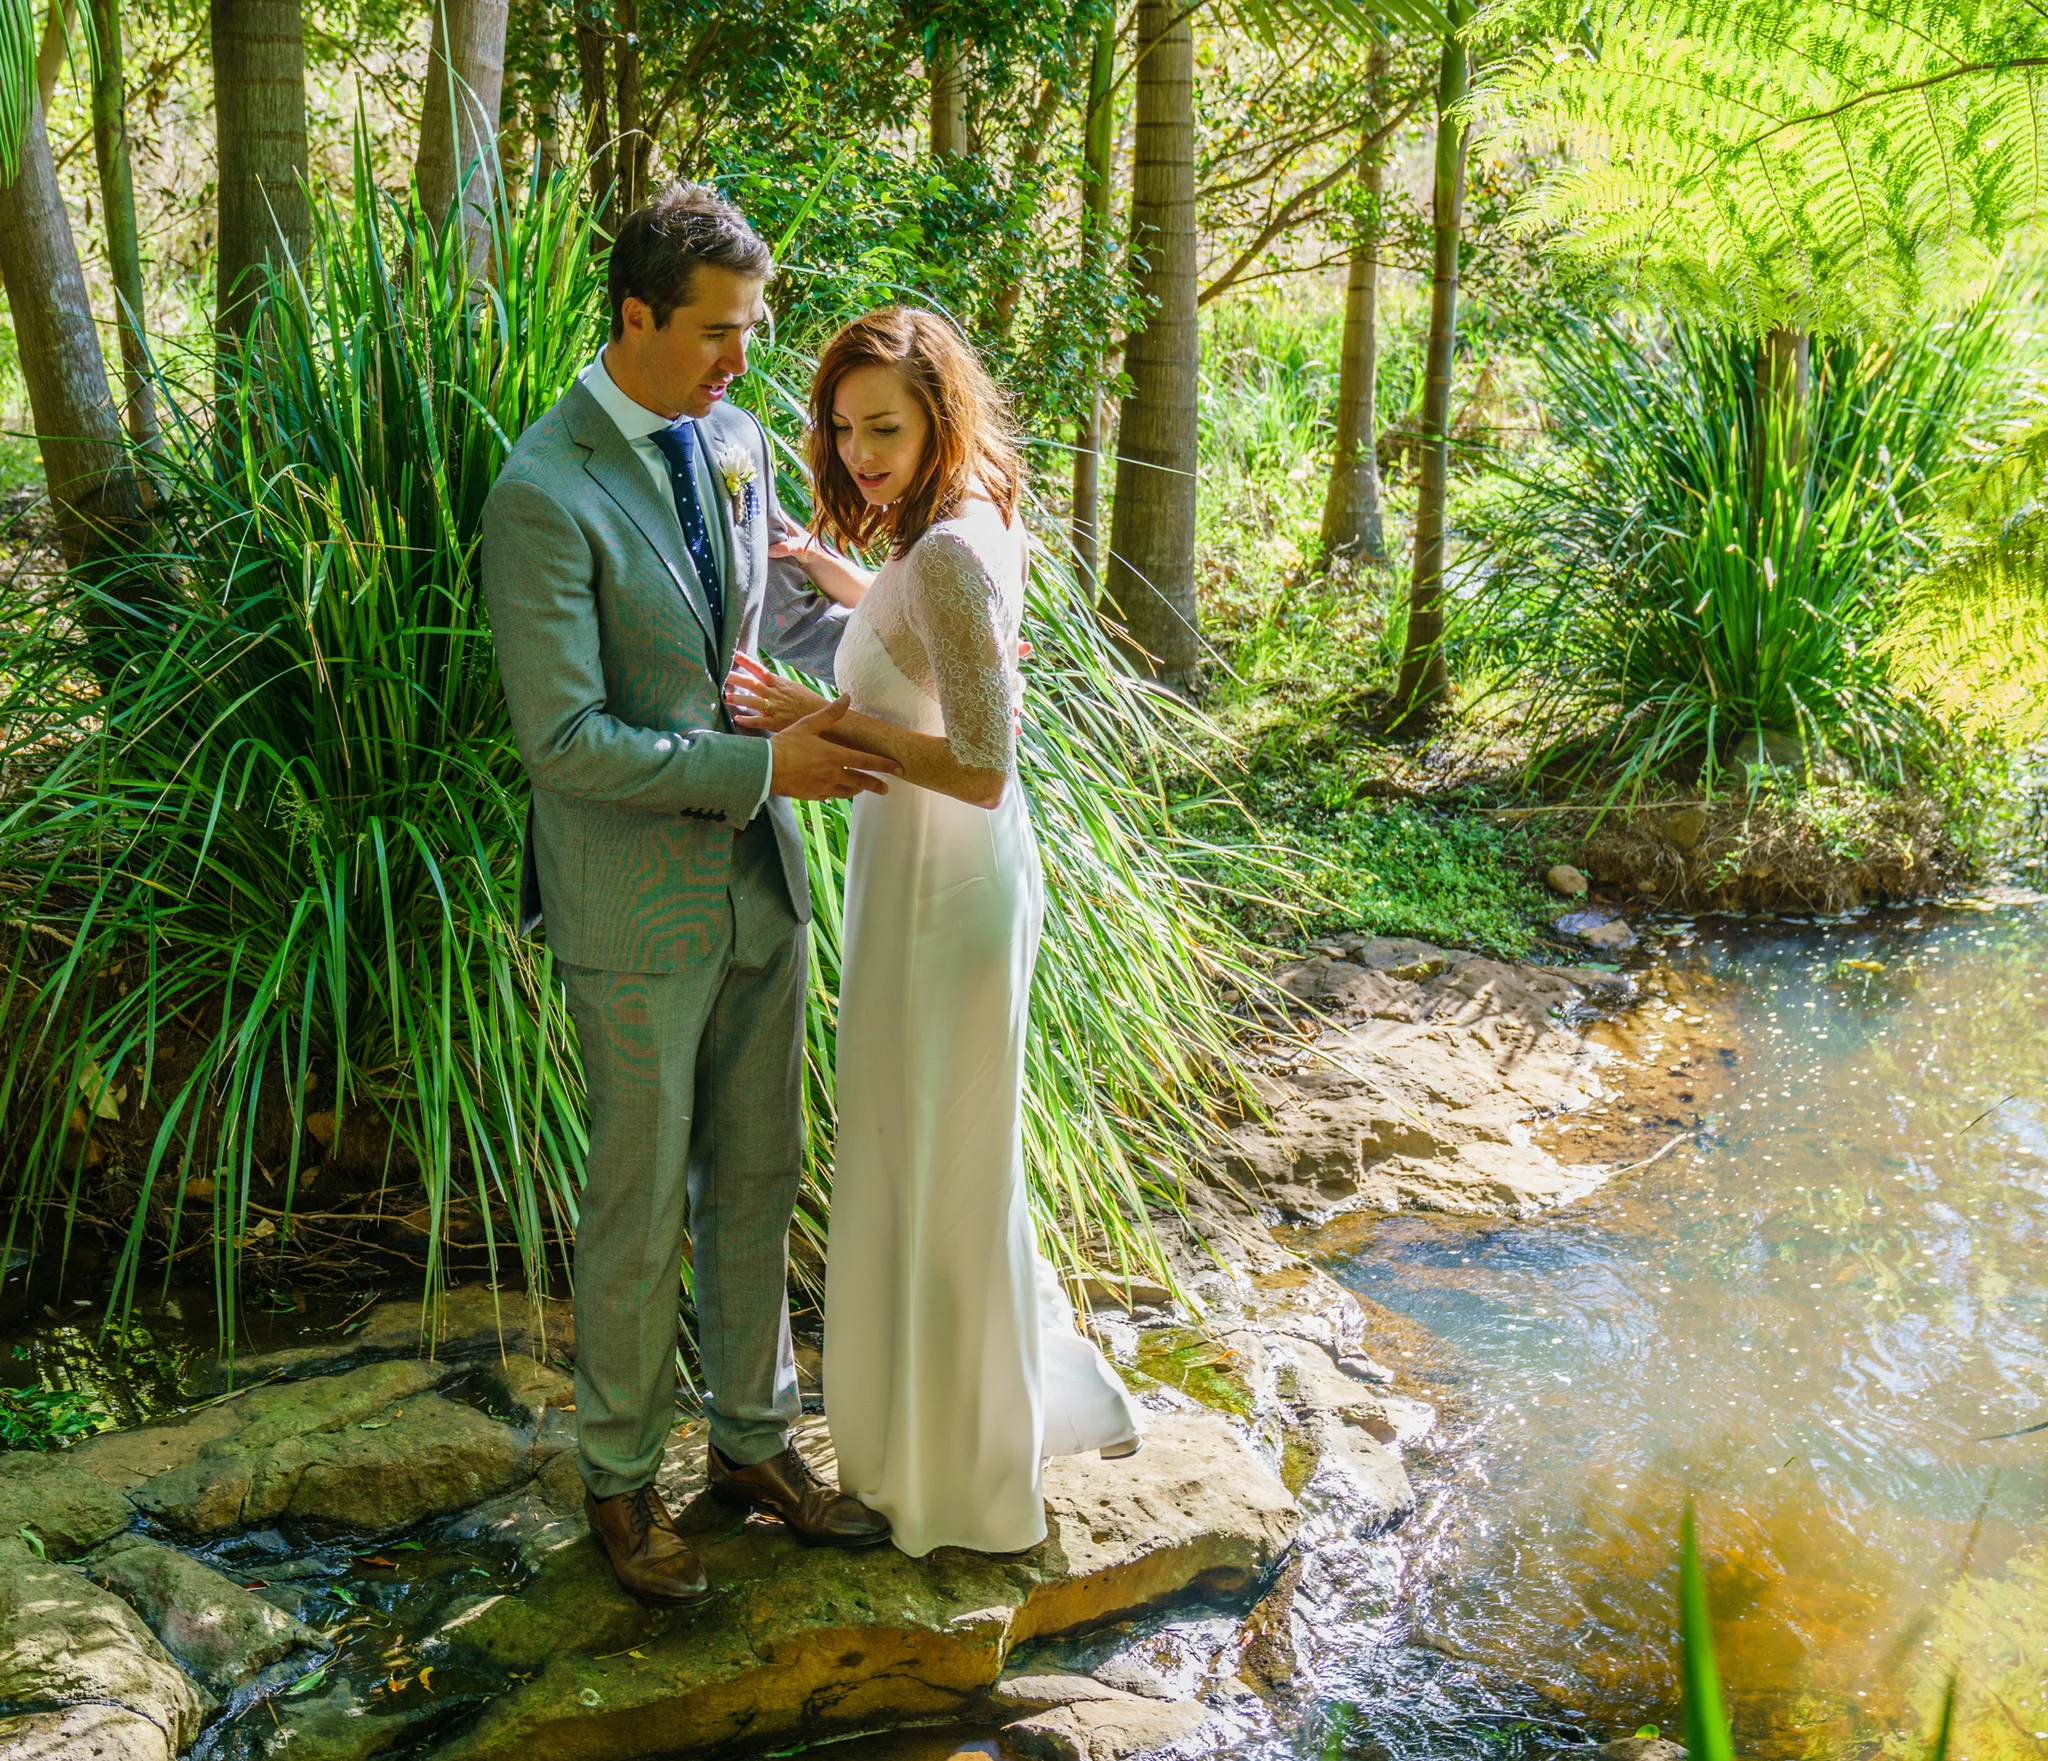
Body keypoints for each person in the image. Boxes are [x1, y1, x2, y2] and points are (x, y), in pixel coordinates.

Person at [481, 183, 898, 1608]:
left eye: (752, 330)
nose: (742, 359)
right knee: (639, 1203)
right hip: (632, 907)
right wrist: (764, 768)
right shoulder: (542, 491)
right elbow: (567, 743)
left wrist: (915, 644)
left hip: (758, 892)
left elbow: (773, 622)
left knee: (759, 1180)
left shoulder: (736, 441)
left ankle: (752, 1446)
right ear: (637, 318)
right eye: (720, 332)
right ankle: (614, 1479)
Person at [724, 307, 1141, 1558]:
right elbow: (920, 635)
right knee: (925, 1149)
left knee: (935, 1161)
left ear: (939, 417)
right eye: (842, 428)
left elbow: (979, 761)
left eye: (884, 428)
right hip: (923, 881)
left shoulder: (953, 551)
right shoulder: (960, 524)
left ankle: (955, 1473)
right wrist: (835, 576)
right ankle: (954, 1418)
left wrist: (822, 716)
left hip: (948, 887)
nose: (856, 452)